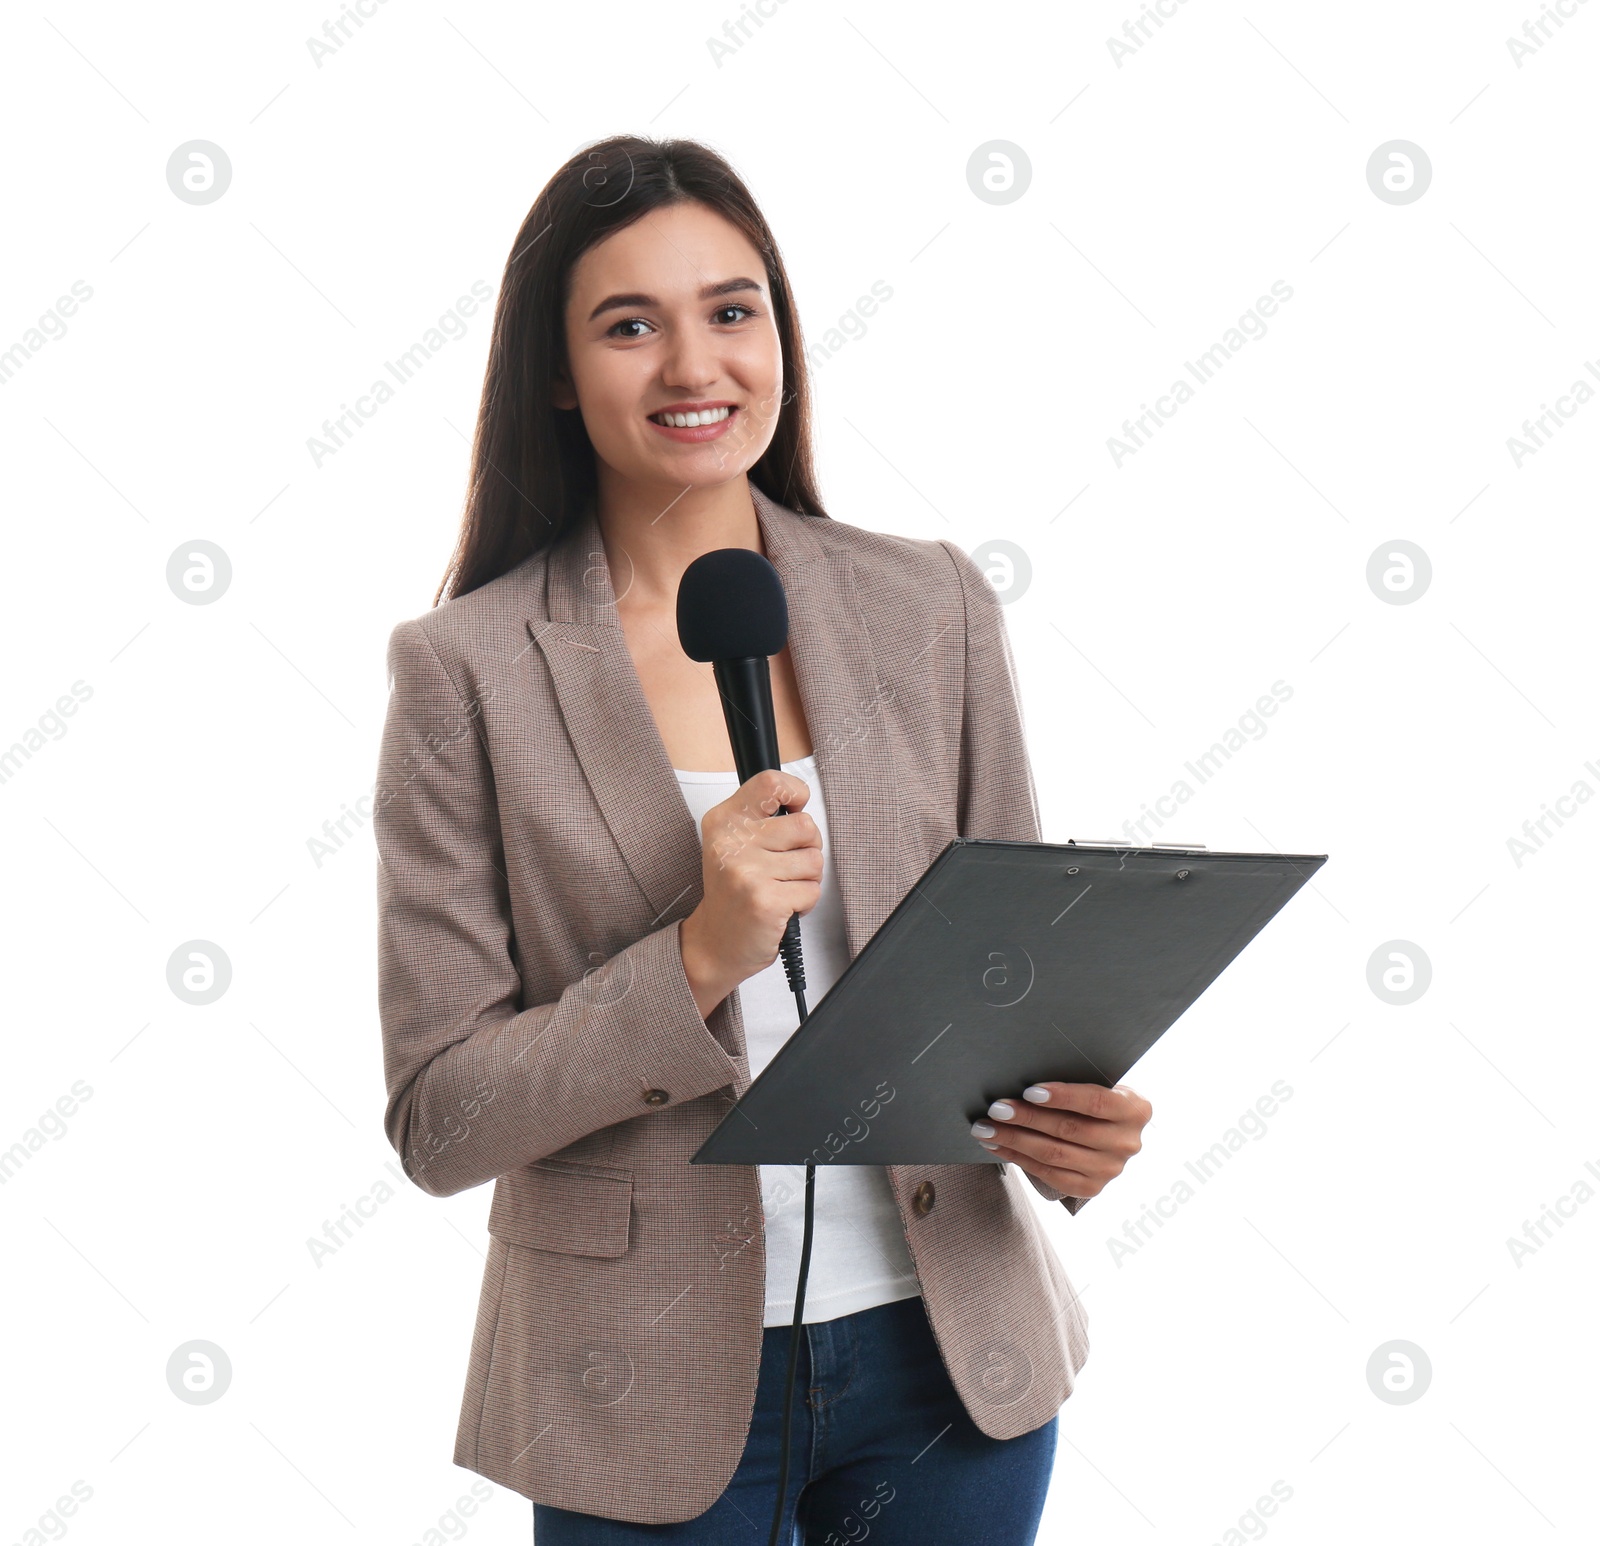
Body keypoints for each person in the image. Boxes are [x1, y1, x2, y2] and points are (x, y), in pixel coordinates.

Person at [374, 134, 1153, 1544]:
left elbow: (1010, 985)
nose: (695, 366)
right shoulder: (467, 671)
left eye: (732, 311)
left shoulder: (931, 606)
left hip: (953, 1365)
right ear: (556, 369)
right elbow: (441, 1120)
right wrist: (692, 957)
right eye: (631, 324)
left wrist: (1068, 1131)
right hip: (636, 1381)